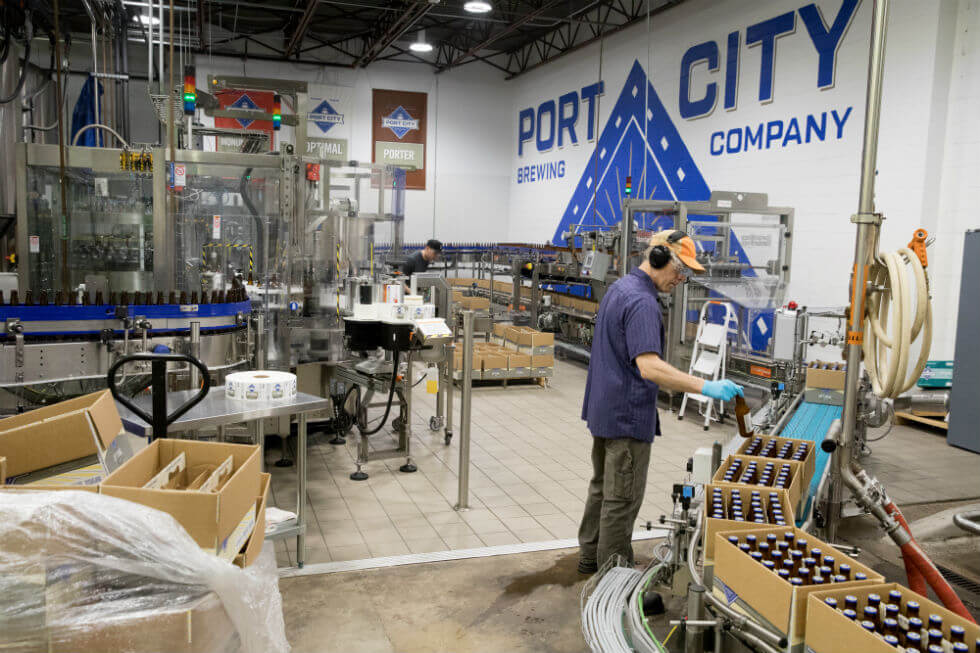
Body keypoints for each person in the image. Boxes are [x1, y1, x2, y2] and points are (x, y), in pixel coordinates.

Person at [577, 230, 743, 573]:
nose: (680, 280)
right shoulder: (642, 302)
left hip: (604, 410)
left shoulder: (620, 288)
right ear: (658, 259)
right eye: (679, 271)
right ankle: (613, 578)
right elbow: (649, 367)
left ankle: (589, 557)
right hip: (626, 416)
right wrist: (705, 386)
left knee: (602, 488)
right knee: (620, 500)